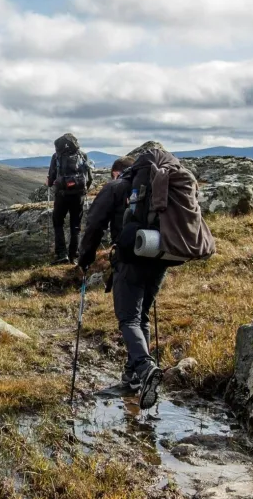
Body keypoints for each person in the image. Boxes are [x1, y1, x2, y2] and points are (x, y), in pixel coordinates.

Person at [77, 152, 165, 410]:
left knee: (128, 319)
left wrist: (85, 258)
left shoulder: (116, 187)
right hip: (160, 255)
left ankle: (144, 368)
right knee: (141, 316)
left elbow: (95, 224)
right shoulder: (162, 184)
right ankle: (133, 379)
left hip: (130, 259)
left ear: (119, 172)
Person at [46, 133, 93, 265]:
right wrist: (84, 190)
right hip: (78, 195)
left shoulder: (56, 156)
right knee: (76, 225)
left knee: (58, 222)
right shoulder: (83, 155)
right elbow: (89, 177)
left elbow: (51, 178)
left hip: (62, 195)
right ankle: (74, 256)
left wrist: (50, 183)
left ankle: (61, 254)